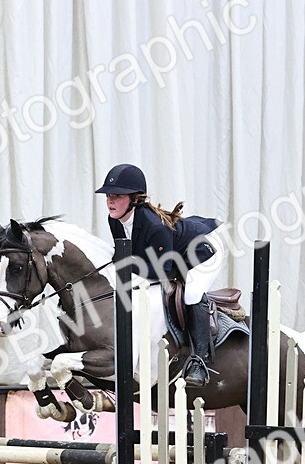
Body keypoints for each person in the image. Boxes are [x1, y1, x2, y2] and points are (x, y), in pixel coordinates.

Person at [95, 163, 225, 387]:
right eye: (108, 195)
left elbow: (160, 273)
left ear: (135, 199)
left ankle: (199, 362)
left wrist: (125, 267)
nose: (110, 201)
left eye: (117, 195)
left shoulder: (155, 226)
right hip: (174, 256)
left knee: (191, 294)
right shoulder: (114, 220)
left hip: (204, 251)